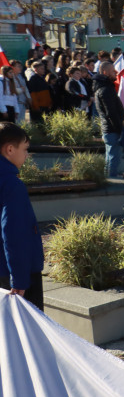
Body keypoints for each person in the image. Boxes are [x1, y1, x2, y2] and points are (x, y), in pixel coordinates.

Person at [0, 123, 43, 310]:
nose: (27, 155)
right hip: (16, 276)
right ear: (10, 149)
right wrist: (19, 280)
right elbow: (14, 232)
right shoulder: (12, 185)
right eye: (25, 149)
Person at [93, 61, 124, 179]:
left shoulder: (104, 87)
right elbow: (111, 113)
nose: (116, 73)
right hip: (112, 130)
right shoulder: (106, 90)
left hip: (109, 129)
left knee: (110, 156)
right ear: (105, 72)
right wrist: (121, 129)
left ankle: (108, 177)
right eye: (113, 71)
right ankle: (112, 180)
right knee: (113, 157)